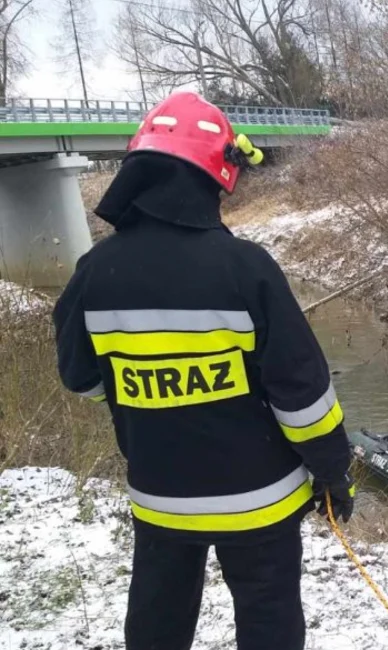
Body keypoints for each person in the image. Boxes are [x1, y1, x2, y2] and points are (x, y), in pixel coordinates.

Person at [52, 91, 355, 650]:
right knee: (269, 620)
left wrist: (143, 405)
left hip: (160, 495)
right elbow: (301, 394)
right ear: (216, 173)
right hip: (262, 499)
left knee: (157, 620)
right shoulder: (246, 269)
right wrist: (334, 470)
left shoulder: (95, 271)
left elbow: (81, 376)